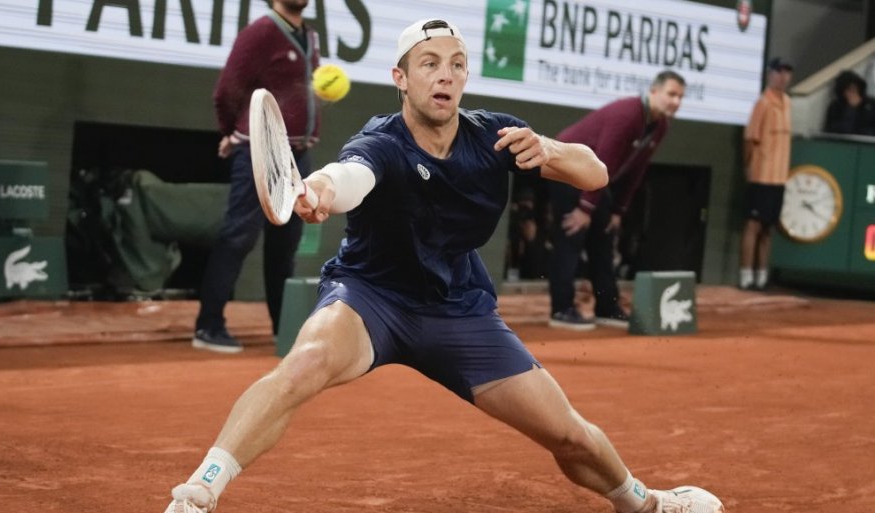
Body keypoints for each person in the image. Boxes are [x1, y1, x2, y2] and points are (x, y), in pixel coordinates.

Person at [162, 19, 724, 513]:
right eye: (429, 64)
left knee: (569, 434)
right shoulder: (381, 142)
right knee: (301, 365)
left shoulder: (495, 136)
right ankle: (197, 493)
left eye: (456, 64)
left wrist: (551, 150)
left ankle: (644, 503)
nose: (445, 75)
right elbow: (347, 177)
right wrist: (319, 191)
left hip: (460, 311)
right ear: (401, 78)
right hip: (372, 299)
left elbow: (596, 173)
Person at [193, 0, 320, 353]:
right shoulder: (261, 32)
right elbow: (226, 90)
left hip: (297, 154)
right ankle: (208, 326)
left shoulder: (310, 36)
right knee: (238, 236)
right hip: (258, 149)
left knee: (285, 245)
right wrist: (231, 132)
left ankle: (284, 329)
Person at [547, 71, 686, 330]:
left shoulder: (660, 125)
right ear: (654, 91)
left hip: (594, 177)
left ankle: (607, 308)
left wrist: (618, 210)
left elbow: (636, 169)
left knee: (604, 239)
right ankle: (561, 309)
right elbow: (604, 159)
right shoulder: (628, 114)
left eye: (680, 97)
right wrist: (585, 208)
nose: (676, 101)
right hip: (565, 168)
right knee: (572, 235)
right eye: (671, 94)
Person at [740, 57, 793, 291]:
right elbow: (750, 138)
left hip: (779, 177)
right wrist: (749, 167)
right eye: (779, 71)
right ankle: (745, 276)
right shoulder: (762, 103)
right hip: (761, 175)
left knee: (768, 228)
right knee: (753, 225)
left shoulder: (788, 103)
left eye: (787, 72)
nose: (783, 76)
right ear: (770, 74)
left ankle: (762, 276)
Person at [823, 69, 875, 136]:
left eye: (855, 88)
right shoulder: (836, 107)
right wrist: (851, 110)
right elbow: (834, 130)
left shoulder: (871, 104)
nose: (852, 93)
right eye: (849, 90)